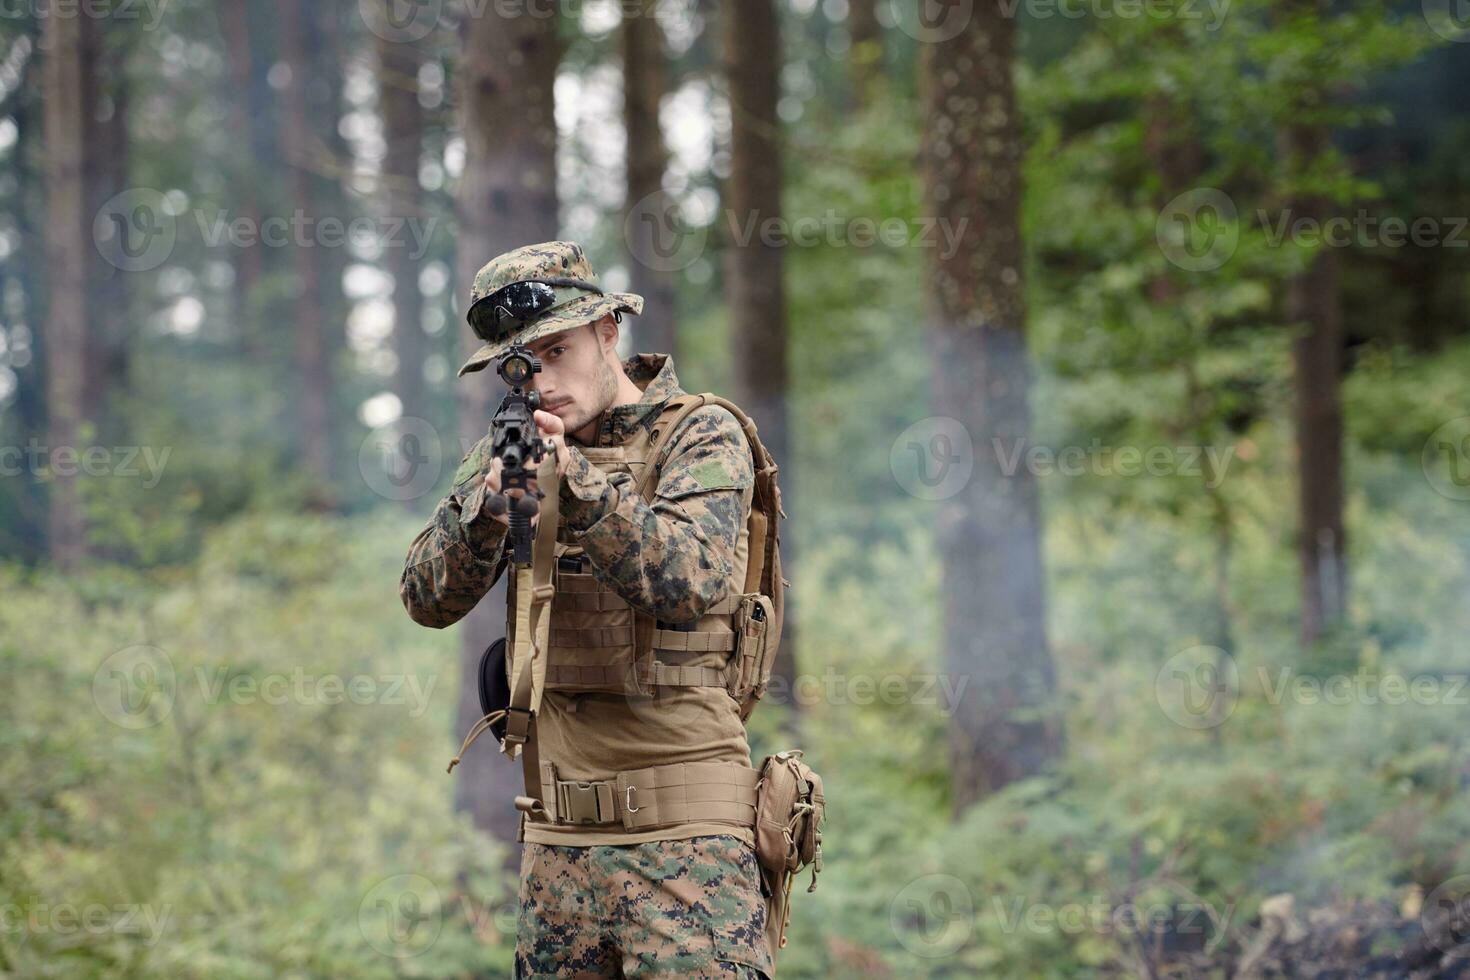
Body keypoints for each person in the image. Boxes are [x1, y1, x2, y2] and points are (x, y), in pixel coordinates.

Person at [400, 241, 775, 978]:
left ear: (609, 332)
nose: (542, 379)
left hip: (687, 842)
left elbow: (688, 582)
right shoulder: (509, 448)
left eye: (557, 350)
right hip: (557, 846)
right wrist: (487, 510)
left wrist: (576, 487)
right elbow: (424, 598)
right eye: (522, 364)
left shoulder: (699, 433)